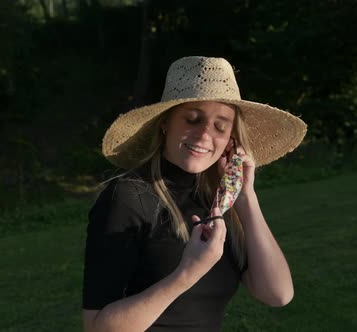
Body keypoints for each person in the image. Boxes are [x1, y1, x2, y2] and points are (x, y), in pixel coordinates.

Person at [81, 56, 307, 331]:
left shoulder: (218, 202)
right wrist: (189, 272)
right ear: (165, 122)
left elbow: (277, 294)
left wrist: (246, 198)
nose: (204, 136)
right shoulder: (126, 197)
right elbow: (97, 327)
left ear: (231, 140)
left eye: (220, 126)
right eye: (192, 119)